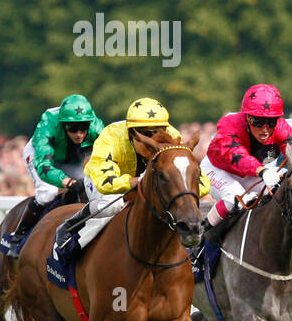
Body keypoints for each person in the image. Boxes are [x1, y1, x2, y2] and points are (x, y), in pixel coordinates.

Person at [68, 97, 210, 235]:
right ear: (131, 132)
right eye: (146, 134)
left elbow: (202, 185)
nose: (154, 139)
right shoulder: (110, 137)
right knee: (113, 205)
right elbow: (105, 183)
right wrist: (139, 181)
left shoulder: (171, 136)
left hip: (147, 185)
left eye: (159, 131)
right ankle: (72, 225)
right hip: (102, 182)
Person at [201, 85, 292, 242]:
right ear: (246, 117)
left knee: (276, 196)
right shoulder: (229, 124)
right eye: (257, 122)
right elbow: (237, 156)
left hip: (251, 172)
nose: (265, 129)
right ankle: (200, 239)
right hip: (217, 169)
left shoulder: (281, 127)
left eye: (271, 122)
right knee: (235, 199)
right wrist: (263, 171)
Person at [3, 94, 104, 255]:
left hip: (72, 157)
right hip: (42, 155)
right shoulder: (48, 123)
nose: (79, 134)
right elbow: (44, 166)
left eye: (83, 127)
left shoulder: (96, 127)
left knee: (94, 190)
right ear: (64, 125)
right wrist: (68, 182)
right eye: (73, 128)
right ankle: (18, 237)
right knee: (47, 193)